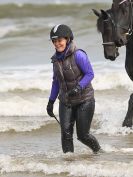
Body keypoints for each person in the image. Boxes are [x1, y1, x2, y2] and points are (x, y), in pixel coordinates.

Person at [46, 24, 101, 154]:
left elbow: (90, 74)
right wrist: (51, 102)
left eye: (59, 40)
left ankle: (99, 151)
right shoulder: (55, 60)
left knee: (82, 136)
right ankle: (69, 163)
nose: (57, 44)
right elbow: (56, 82)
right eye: (54, 41)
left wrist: (78, 87)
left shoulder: (79, 55)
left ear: (68, 39)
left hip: (85, 100)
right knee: (66, 135)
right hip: (66, 101)